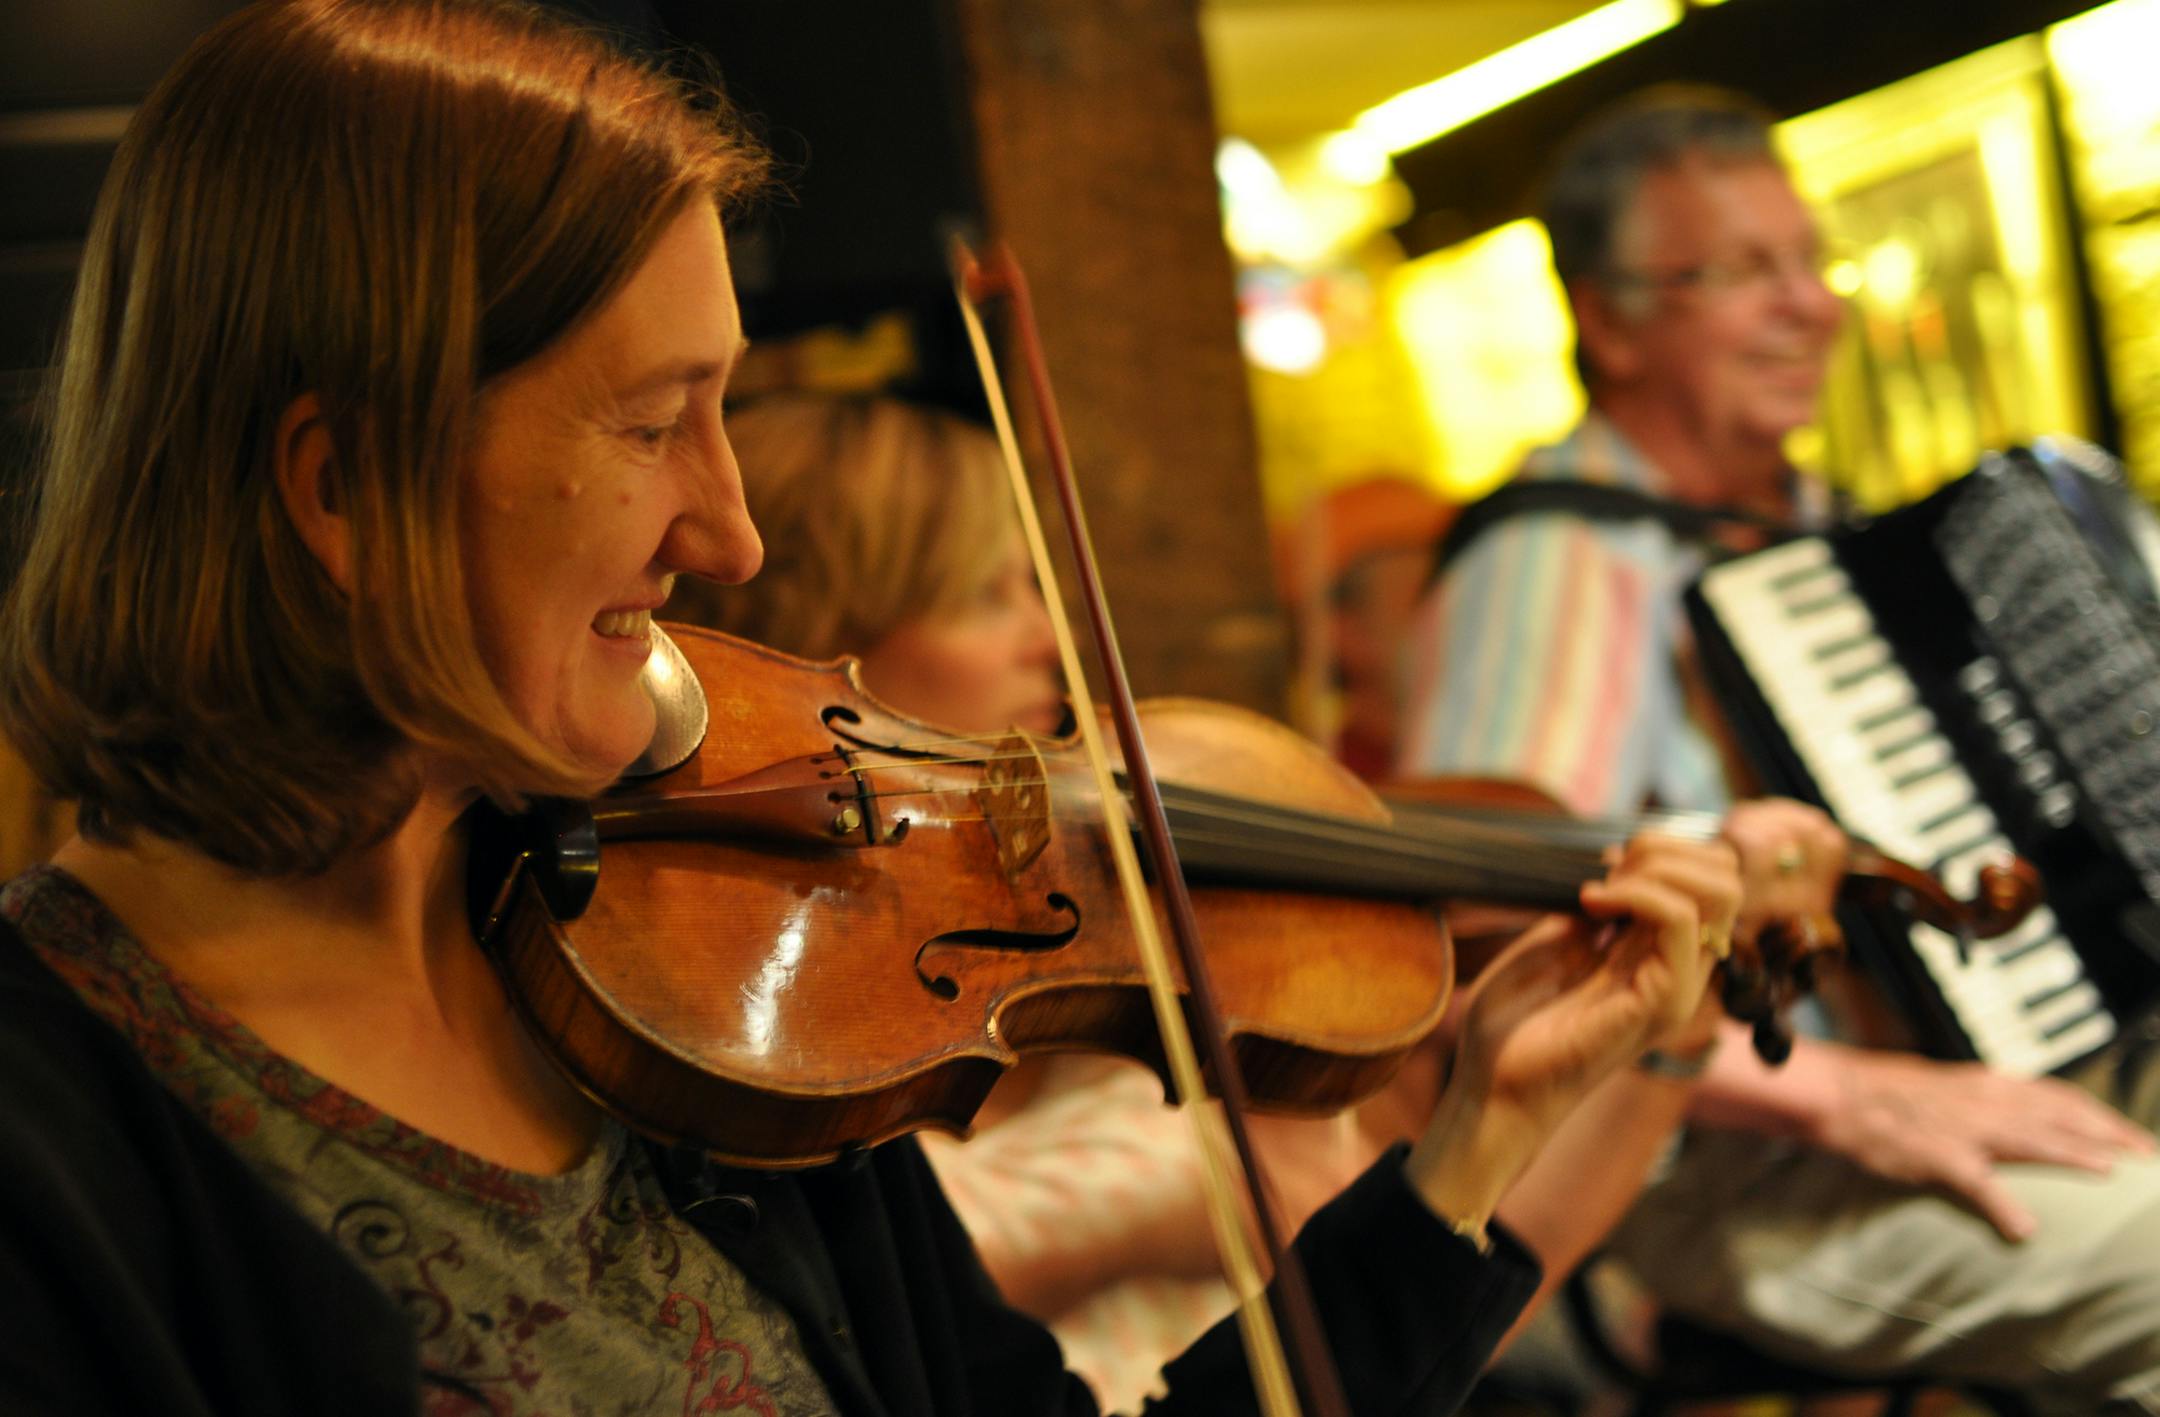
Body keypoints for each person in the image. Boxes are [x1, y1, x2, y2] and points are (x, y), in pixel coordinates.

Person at [0, 5, 1746, 1415]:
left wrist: (1476, 1139)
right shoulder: (59, 1135)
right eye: (649, 422)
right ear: (343, 484)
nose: (732, 530)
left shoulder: (701, 983)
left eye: (729, 411)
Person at [672, 392, 1842, 1411]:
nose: (1049, 633)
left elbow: (1434, 1293)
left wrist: (1664, 1030)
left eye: (1036, 582)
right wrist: (1151, 1194)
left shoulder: (1086, 938)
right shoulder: (768, 1033)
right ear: (827, 650)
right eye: (987, 594)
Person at [1397, 85, 2160, 1413]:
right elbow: (1461, 957)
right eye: (1743, 272)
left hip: (1978, 1084)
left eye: (1810, 264)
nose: (1813, 306)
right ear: (1609, 321)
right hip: (1712, 1164)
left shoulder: (1834, 536)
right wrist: (1845, 1093)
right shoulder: (1558, 563)